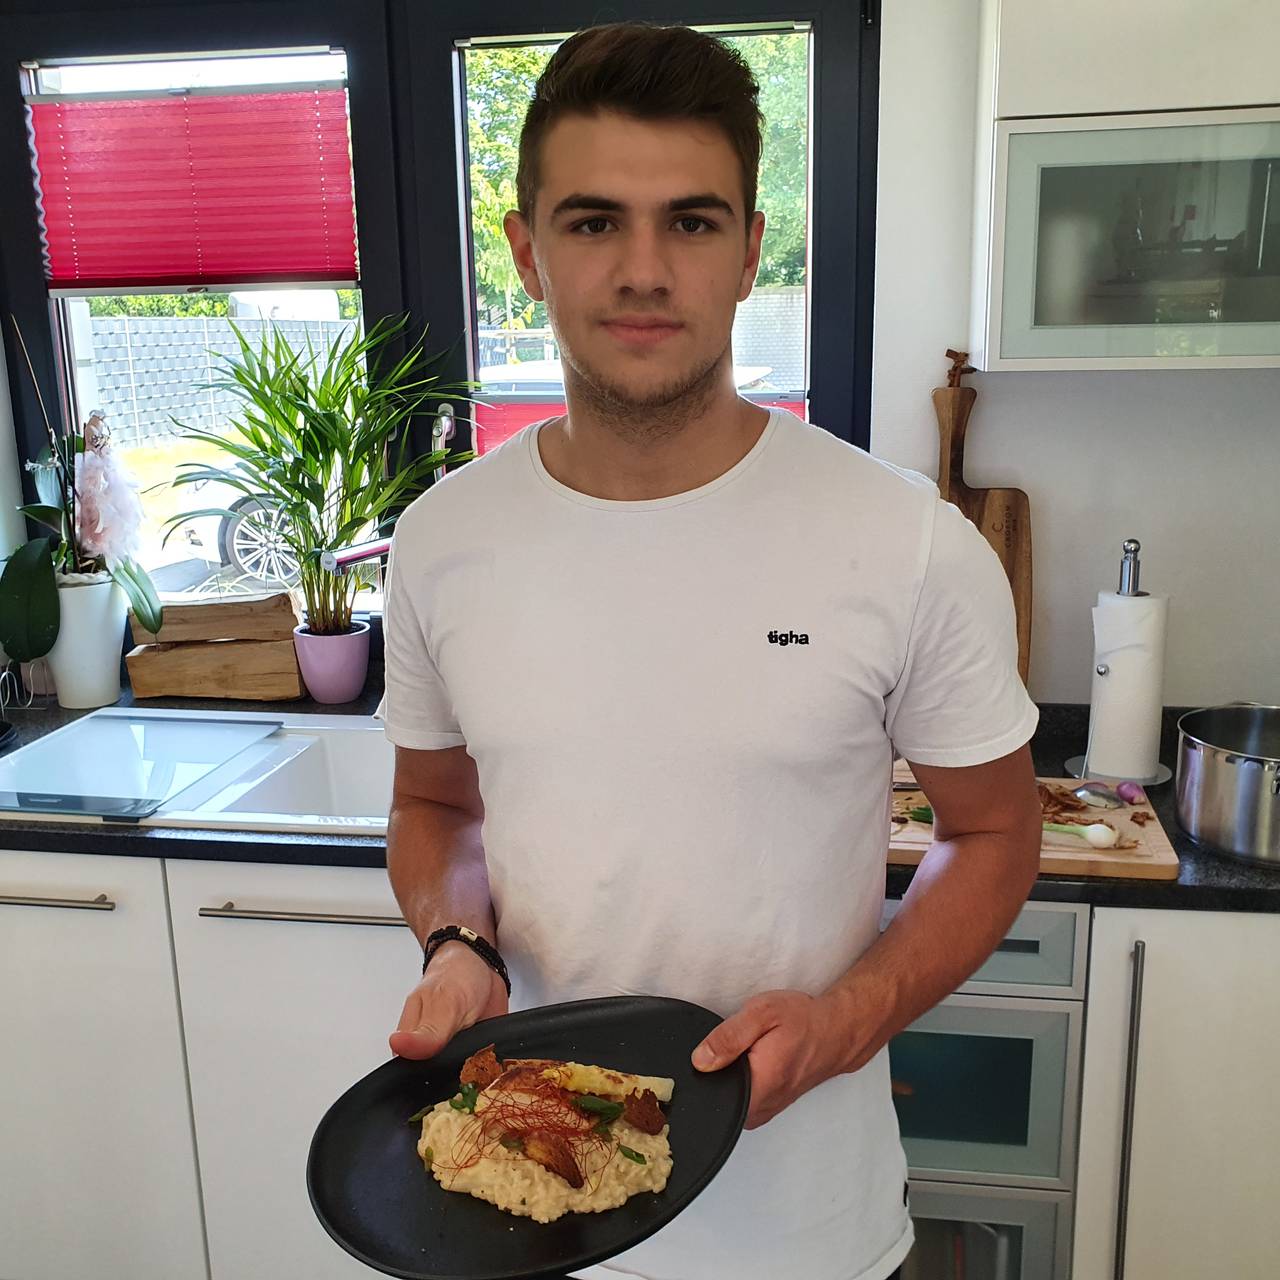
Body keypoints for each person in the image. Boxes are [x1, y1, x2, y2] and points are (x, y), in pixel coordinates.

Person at [375, 22, 1042, 1280]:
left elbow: (997, 832)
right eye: (590, 222)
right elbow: (433, 803)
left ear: (747, 251)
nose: (642, 269)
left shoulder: (902, 540)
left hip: (811, 1235)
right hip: (528, 1221)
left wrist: (849, 1015)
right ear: (525, 252)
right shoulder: (442, 539)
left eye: (689, 221)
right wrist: (455, 945)